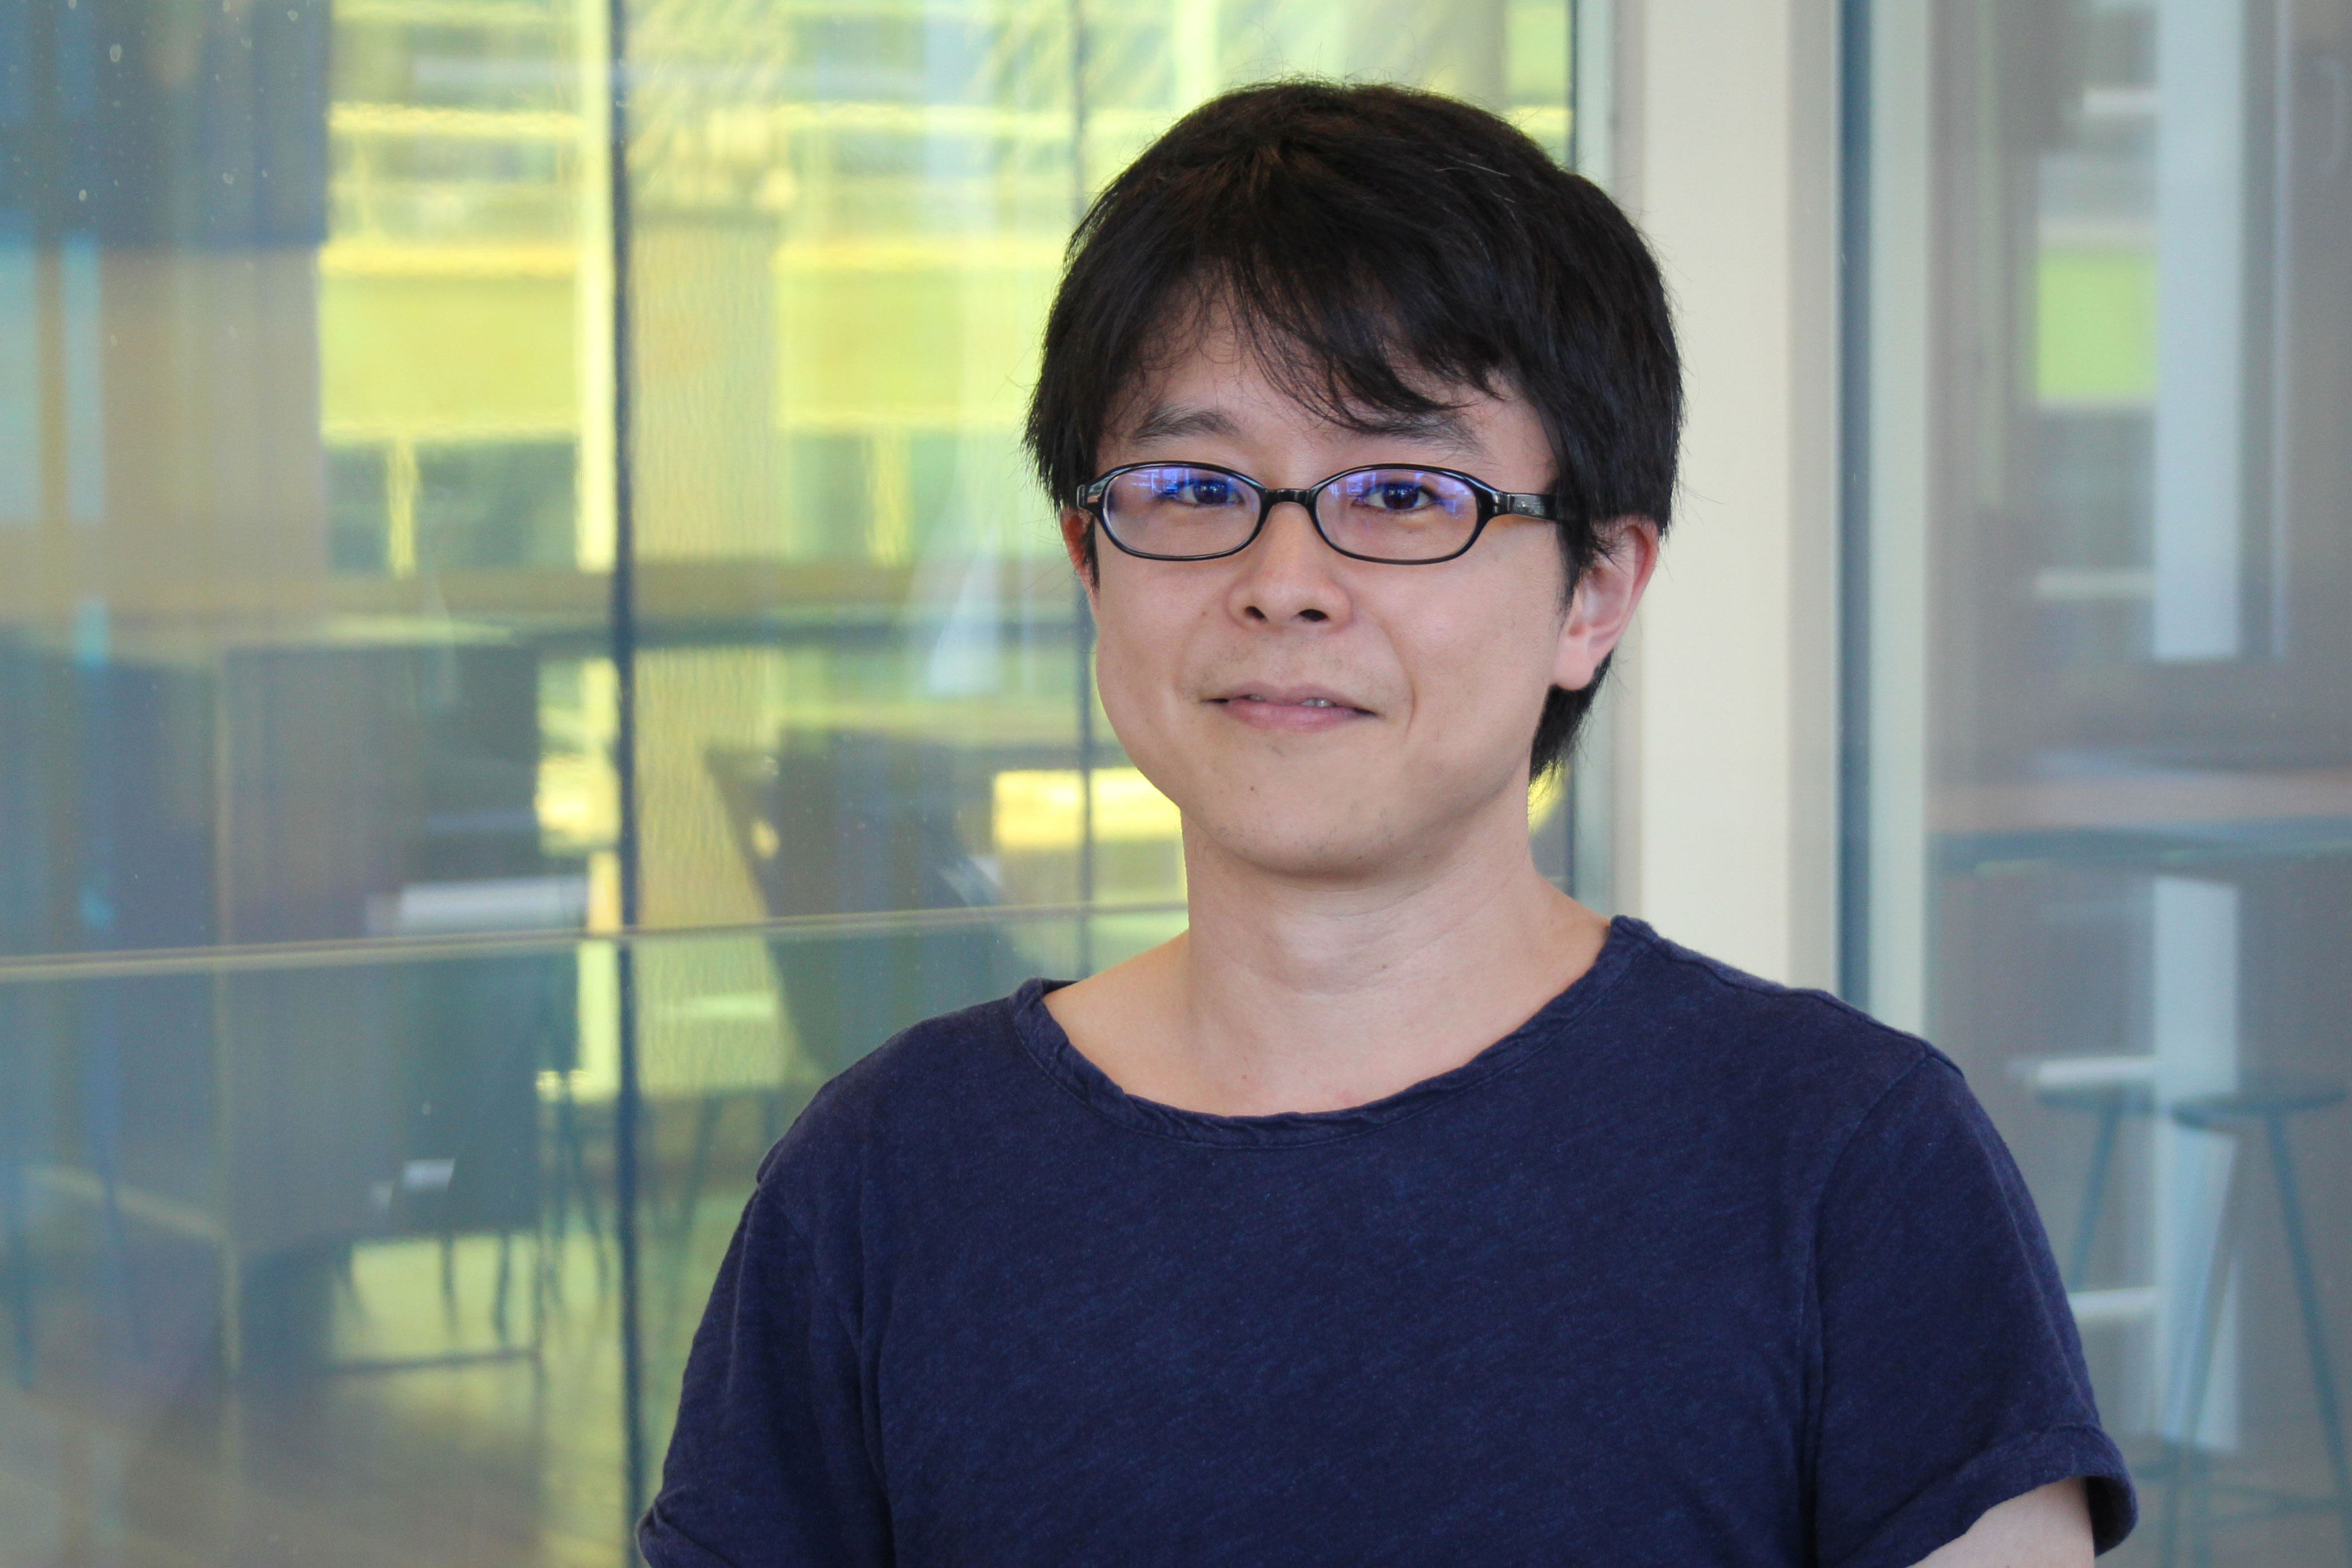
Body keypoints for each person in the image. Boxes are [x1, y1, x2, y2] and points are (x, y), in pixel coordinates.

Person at [639, 82, 2135, 1567]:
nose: (1284, 577)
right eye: (1191, 484)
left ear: (1597, 590)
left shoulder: (1847, 1163)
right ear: (1091, 562)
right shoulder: (886, 1180)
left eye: (1406, 491)